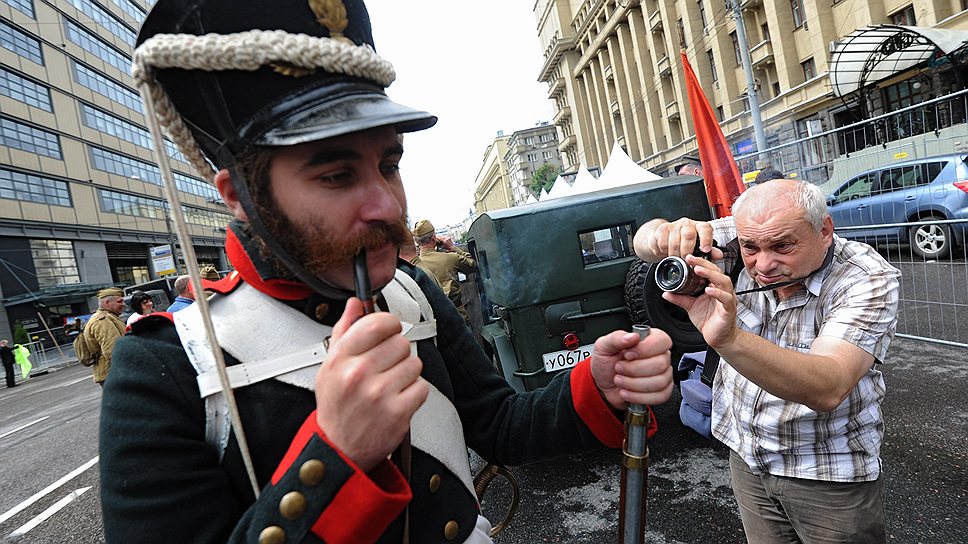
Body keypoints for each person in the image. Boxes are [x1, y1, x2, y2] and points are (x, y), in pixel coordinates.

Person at [99, 1, 674, 542]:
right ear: (240, 197)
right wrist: (335, 457)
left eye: (389, 163)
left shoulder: (412, 291)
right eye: (336, 175)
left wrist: (596, 385)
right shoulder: (165, 370)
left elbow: (498, 425)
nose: (387, 204)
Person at [633, 179, 900, 543]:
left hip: (826, 472)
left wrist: (729, 339)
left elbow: (828, 386)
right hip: (748, 458)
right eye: (750, 248)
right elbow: (643, 242)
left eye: (782, 246)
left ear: (824, 230)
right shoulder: (747, 233)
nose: (764, 264)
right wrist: (665, 234)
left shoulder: (865, 278)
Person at [413, 219, 476, 321]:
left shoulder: (414, 265)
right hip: (458, 318)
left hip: (434, 322)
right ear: (434, 238)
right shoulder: (450, 258)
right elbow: (473, 264)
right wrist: (452, 247)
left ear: (417, 242)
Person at [87, 287, 126, 386]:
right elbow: (113, 350)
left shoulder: (109, 317)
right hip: (115, 374)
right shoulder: (102, 320)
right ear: (107, 302)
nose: (123, 304)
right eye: (119, 301)